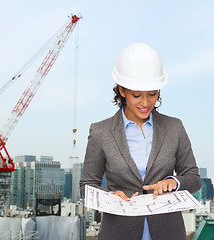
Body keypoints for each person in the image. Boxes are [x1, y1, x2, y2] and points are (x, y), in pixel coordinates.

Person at [79, 43, 201, 240]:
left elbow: (193, 177)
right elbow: (87, 184)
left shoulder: (174, 127)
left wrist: (173, 182)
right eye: (137, 95)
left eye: (152, 94)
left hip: (168, 232)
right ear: (122, 90)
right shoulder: (100, 131)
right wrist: (110, 197)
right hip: (118, 232)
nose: (145, 103)